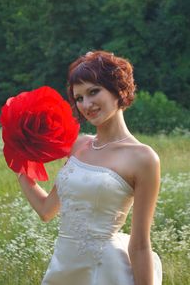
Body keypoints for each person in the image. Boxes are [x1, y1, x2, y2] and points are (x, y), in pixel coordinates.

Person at [17, 50, 162, 285]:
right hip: (63, 268)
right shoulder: (78, 144)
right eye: (79, 98)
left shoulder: (143, 158)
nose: (87, 104)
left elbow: (140, 245)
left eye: (94, 92)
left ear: (118, 90)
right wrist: (20, 164)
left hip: (105, 271)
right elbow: (47, 210)